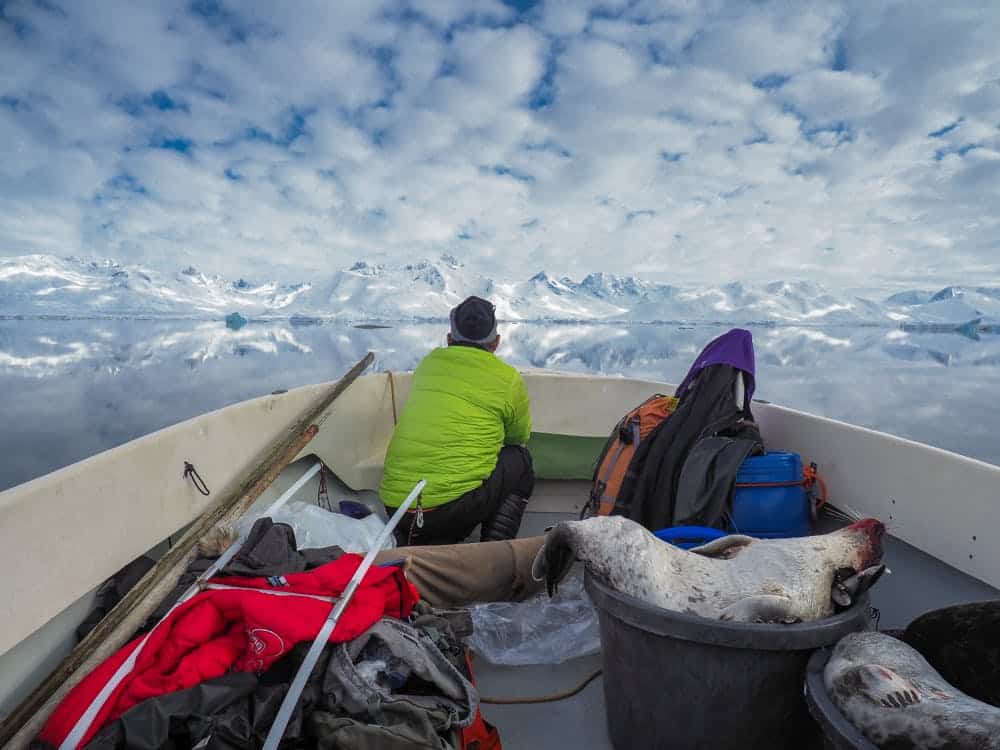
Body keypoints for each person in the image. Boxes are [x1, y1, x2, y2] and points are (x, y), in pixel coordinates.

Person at [379, 295, 535, 546]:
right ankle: (492, 553)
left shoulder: (427, 365)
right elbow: (518, 437)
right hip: (447, 515)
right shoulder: (508, 379)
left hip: (397, 509)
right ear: (496, 343)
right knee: (520, 460)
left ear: (450, 339)